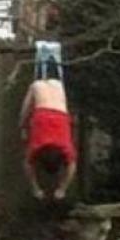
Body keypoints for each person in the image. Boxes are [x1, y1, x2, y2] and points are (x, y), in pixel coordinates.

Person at [20, 55, 77, 201]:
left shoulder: (64, 147)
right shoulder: (37, 146)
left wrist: (61, 188)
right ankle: (47, 67)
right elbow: (27, 165)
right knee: (37, 86)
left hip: (60, 113)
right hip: (43, 112)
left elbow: (72, 165)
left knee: (51, 85)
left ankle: (50, 66)